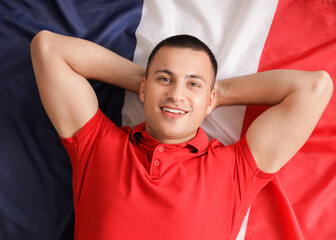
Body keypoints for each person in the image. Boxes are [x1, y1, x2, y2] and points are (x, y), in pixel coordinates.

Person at [30, 30, 333, 240]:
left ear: (211, 99)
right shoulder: (97, 144)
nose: (176, 94)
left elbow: (315, 87)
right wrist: (149, 84)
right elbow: (48, 48)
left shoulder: (235, 170)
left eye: (193, 84)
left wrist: (218, 92)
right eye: (166, 79)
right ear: (144, 88)